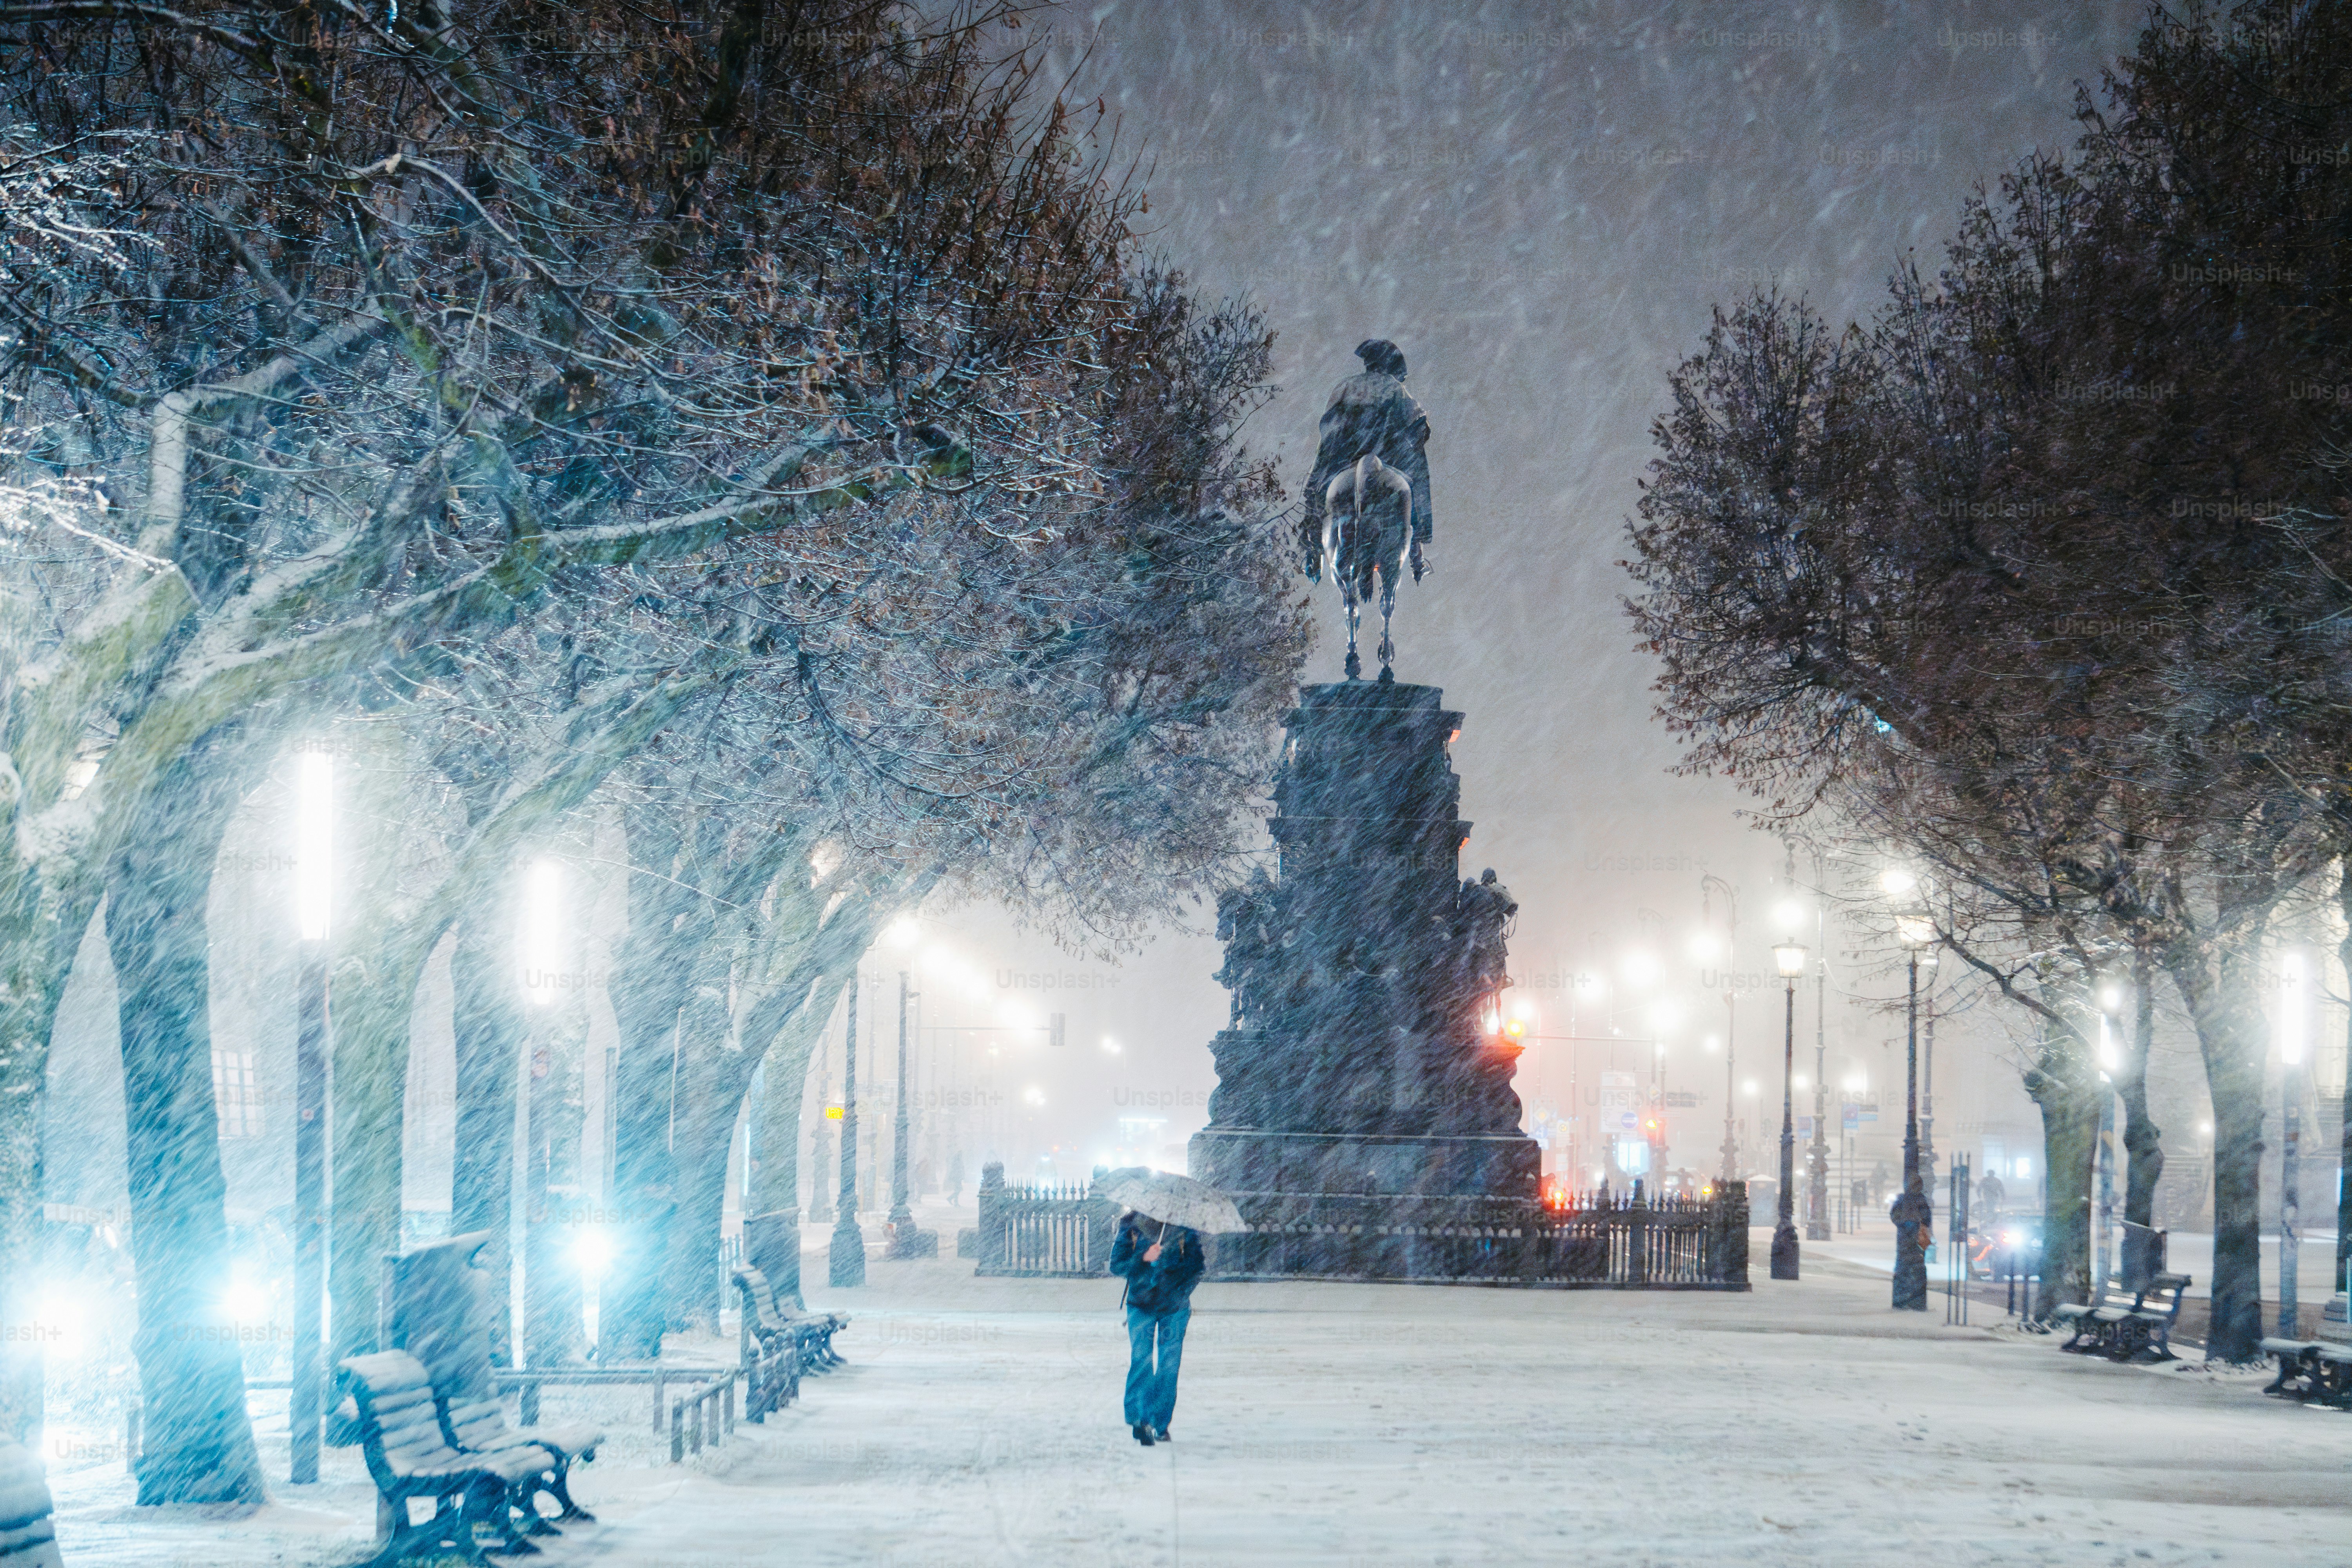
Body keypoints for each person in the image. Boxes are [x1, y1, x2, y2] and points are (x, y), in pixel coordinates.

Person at [1111, 1210, 1205, 1446]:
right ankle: (1139, 1421)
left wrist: (1175, 1280)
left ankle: (1160, 1424)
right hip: (1141, 1305)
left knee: (1169, 1366)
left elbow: (1197, 1267)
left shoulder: (1184, 1229)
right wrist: (1143, 1258)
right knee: (1141, 1360)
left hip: (1174, 1309)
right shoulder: (1132, 1227)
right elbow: (1117, 1265)